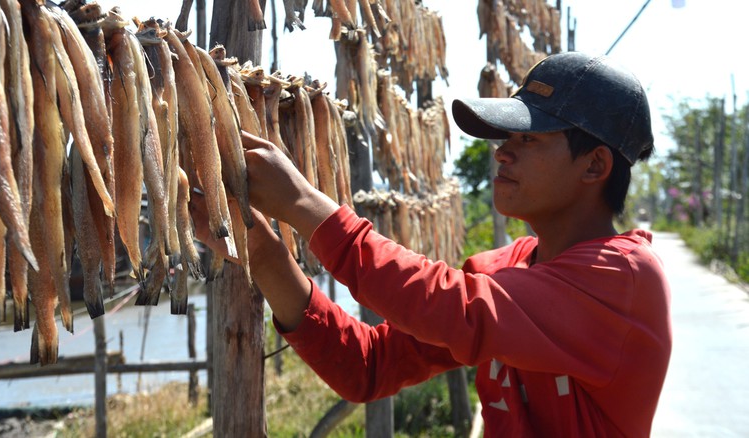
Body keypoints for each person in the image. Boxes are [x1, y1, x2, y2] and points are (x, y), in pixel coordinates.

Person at [191, 51, 672, 437]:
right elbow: (369, 365)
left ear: (594, 166)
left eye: (531, 139)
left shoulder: (623, 279)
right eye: (508, 136)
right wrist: (265, 255)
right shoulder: (506, 269)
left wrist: (300, 201)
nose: (502, 151)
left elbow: (451, 305)